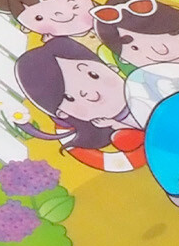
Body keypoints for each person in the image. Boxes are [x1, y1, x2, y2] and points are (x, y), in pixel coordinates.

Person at [13, 37, 144, 171]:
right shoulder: (116, 132)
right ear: (62, 113)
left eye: (93, 75)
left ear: (111, 68)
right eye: (69, 98)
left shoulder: (147, 85)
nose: (93, 95)